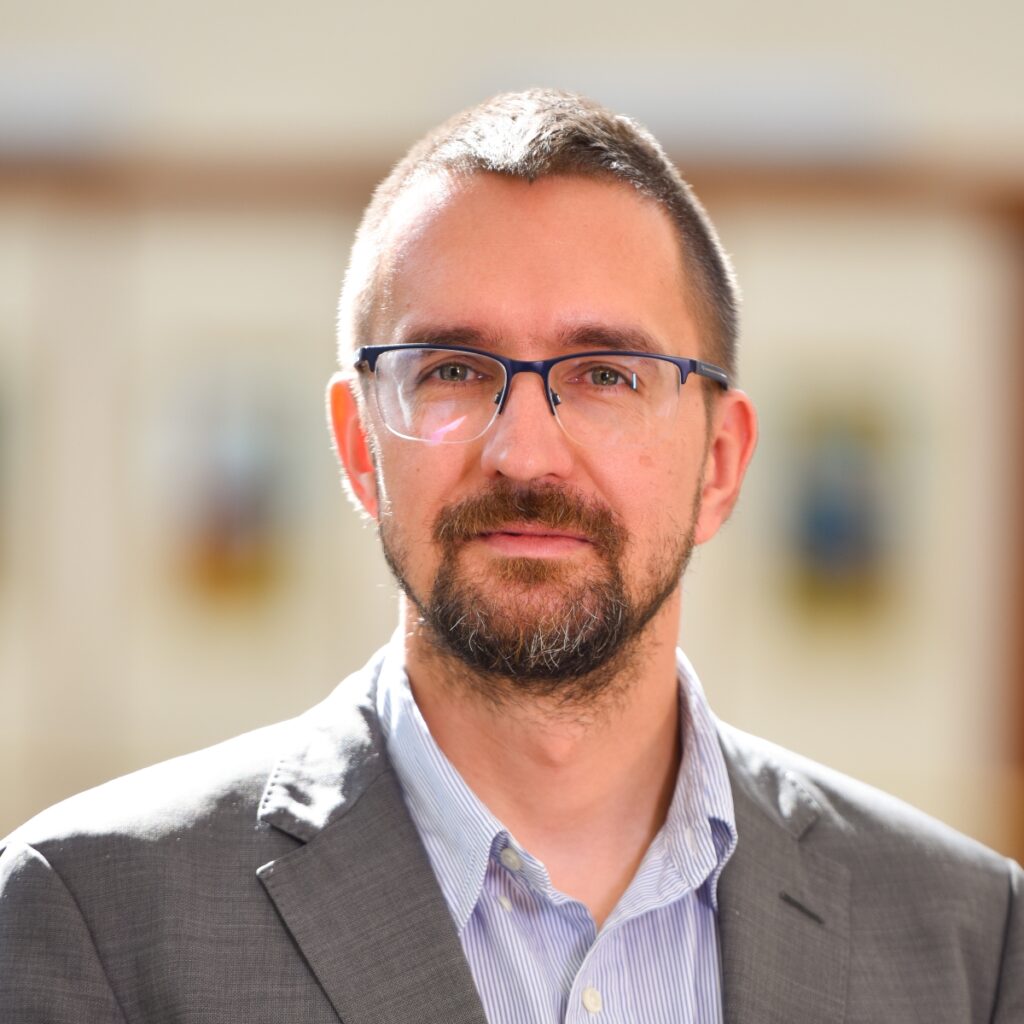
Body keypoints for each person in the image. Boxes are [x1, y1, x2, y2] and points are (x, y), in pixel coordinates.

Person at [1, 88, 1020, 1024]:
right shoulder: (93, 917)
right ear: (358, 449)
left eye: (607, 375)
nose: (525, 452)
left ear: (719, 462)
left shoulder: (972, 945)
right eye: (450, 369)